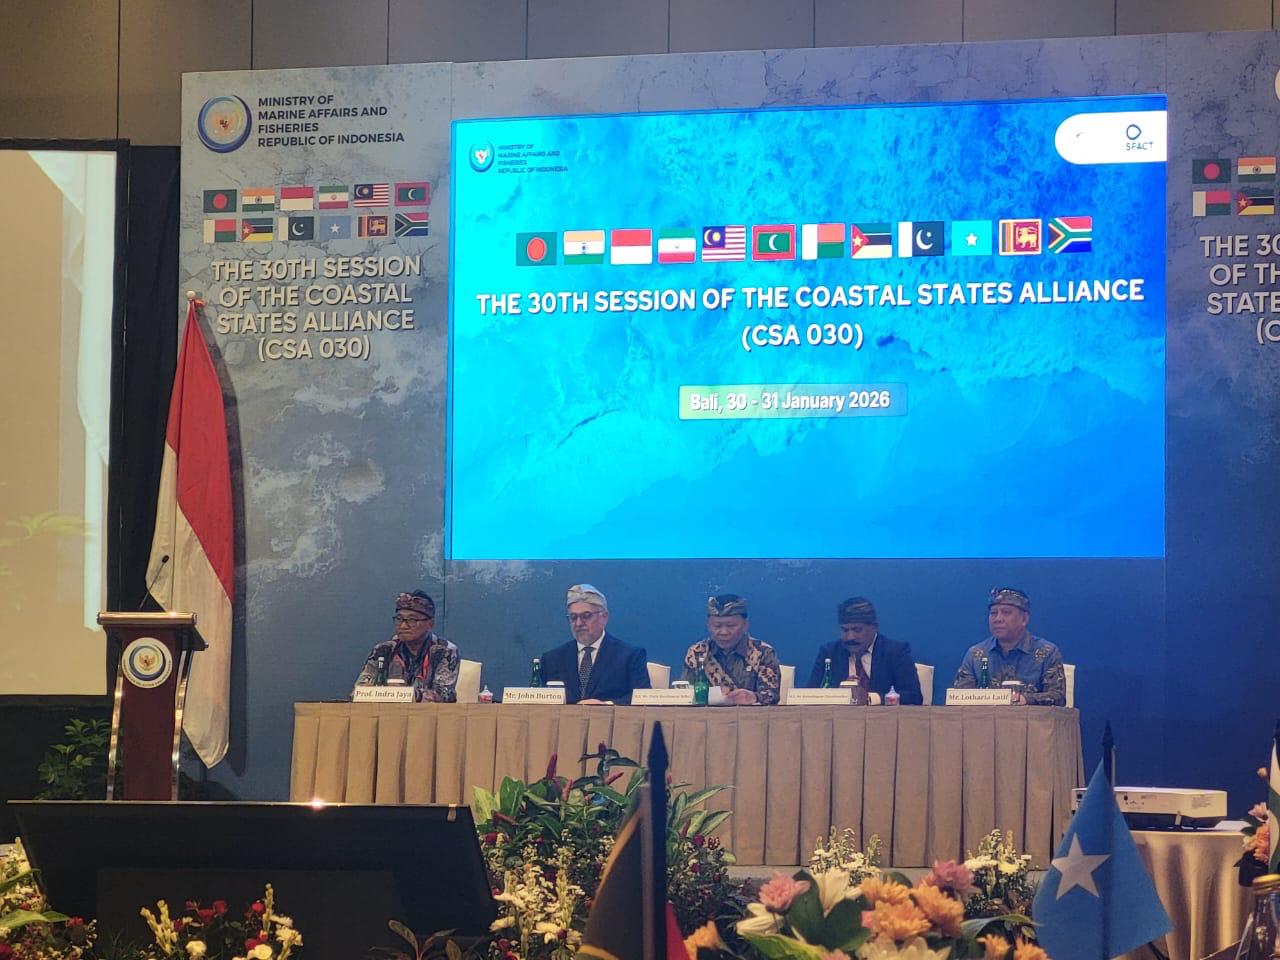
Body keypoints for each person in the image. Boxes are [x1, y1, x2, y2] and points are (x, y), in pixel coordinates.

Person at [952, 587, 1066, 706]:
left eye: (1006, 612)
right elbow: (958, 699)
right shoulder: (976, 654)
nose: (998, 619)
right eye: (993, 613)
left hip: (1029, 717)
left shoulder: (1047, 652)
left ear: (1024, 619)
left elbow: (1058, 697)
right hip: (984, 717)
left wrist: (1025, 700)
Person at [539, 584, 650, 704]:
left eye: (586, 616)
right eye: (573, 617)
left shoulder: (630, 656)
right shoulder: (552, 660)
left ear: (604, 617)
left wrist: (606, 706)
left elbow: (642, 699)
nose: (578, 623)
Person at [806, 597, 924, 704]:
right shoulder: (829, 653)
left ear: (874, 627)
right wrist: (839, 695)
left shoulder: (895, 652)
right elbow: (810, 695)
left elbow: (914, 696)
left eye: (857, 630)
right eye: (845, 630)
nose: (850, 637)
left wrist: (869, 698)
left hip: (884, 719)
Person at [354, 590, 459, 701]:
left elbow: (444, 695)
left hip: (427, 711)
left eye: (412, 620)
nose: (403, 626)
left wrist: (404, 694)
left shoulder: (444, 651)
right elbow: (358, 692)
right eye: (399, 619)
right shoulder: (383, 650)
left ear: (430, 624)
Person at [681, 594, 780, 705]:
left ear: (745, 625)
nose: (724, 632)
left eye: (731, 625)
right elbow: (684, 694)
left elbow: (772, 696)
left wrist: (755, 697)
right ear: (708, 625)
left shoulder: (763, 653)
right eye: (717, 626)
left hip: (748, 714)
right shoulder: (697, 653)